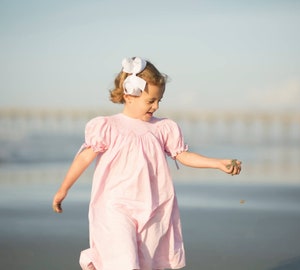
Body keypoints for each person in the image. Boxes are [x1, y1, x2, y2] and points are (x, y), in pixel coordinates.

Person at [52, 57, 242, 270]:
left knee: (146, 262)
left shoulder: (163, 128)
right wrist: (63, 189)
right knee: (124, 259)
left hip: (154, 206)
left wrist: (217, 163)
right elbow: (85, 157)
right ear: (129, 96)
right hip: (115, 204)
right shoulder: (108, 126)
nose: (156, 106)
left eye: (159, 100)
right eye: (150, 100)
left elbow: (182, 155)